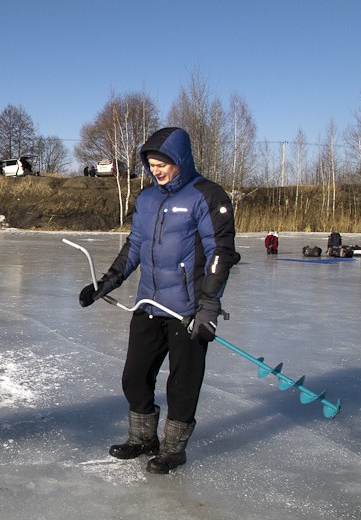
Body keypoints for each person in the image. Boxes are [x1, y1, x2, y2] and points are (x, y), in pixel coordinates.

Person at [79, 127, 240, 474]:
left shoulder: (207, 196)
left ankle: (173, 450)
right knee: (134, 377)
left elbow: (220, 253)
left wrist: (208, 307)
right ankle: (143, 439)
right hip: (149, 305)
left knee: (182, 384)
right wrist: (106, 283)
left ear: (179, 159)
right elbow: (134, 246)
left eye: (162, 163)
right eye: (151, 164)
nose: (157, 170)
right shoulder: (148, 199)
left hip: (188, 310)